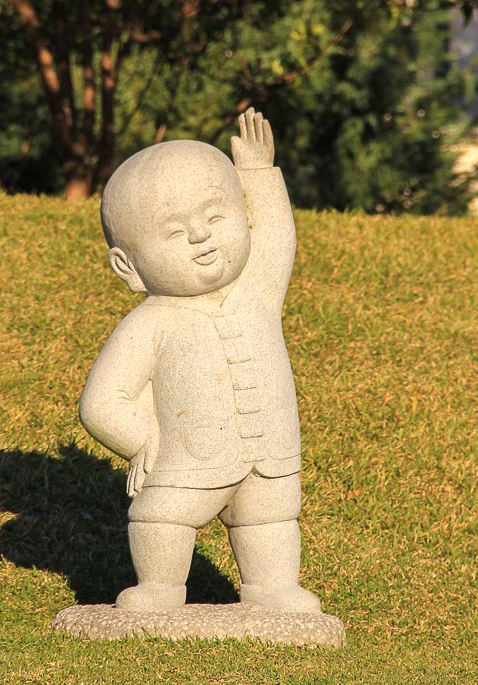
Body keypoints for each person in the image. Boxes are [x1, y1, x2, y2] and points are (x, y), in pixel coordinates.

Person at [80, 108, 321, 614]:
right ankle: (161, 589)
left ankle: (272, 589)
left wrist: (258, 175)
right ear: (129, 265)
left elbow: (278, 240)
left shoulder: (257, 293)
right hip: (185, 459)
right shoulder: (151, 322)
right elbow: (102, 401)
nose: (200, 235)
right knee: (161, 518)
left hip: (270, 453)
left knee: (271, 518)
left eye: (216, 216)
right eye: (173, 231)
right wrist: (142, 440)